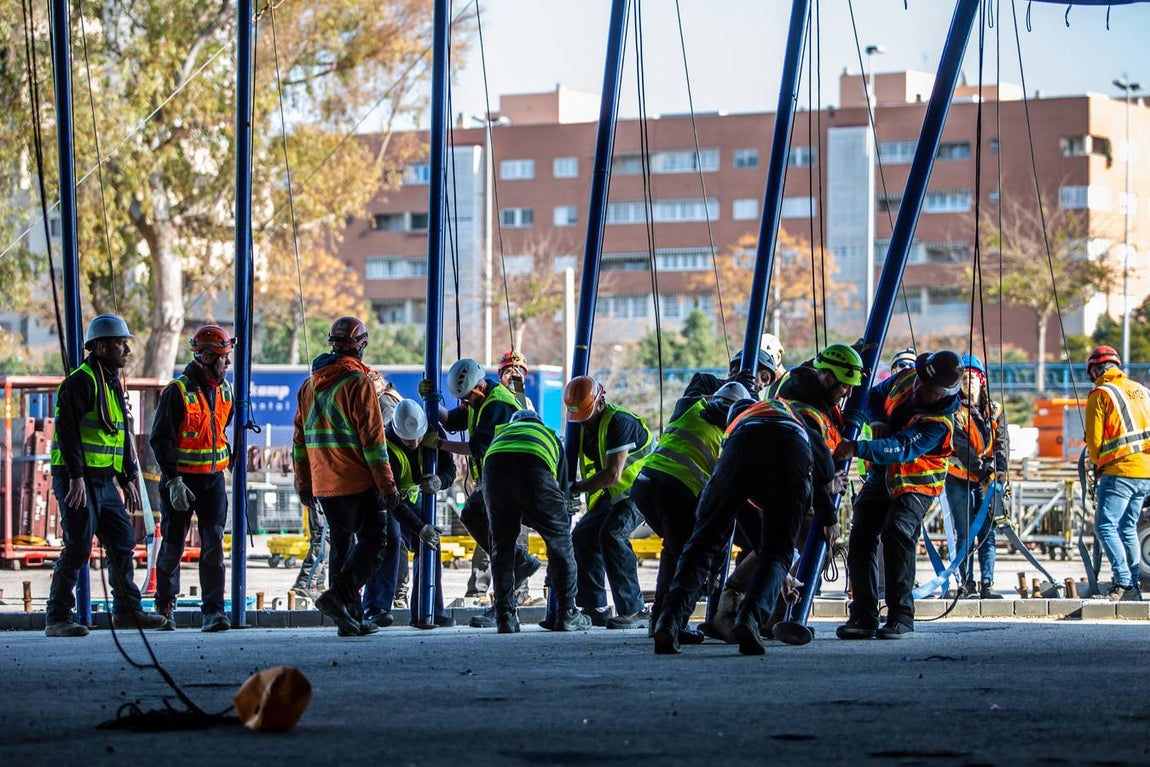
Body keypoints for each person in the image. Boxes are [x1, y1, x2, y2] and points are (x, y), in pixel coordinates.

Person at [652, 396, 840, 655]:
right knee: (779, 551)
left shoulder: (736, 428)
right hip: (791, 452)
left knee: (701, 544)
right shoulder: (792, 416)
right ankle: (749, 620)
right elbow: (825, 471)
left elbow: (735, 511)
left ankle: (669, 621)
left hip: (739, 455)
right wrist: (829, 514)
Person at [706, 343, 862, 641]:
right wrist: (829, 513)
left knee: (776, 557)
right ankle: (744, 615)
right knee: (776, 556)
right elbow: (816, 470)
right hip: (789, 497)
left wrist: (854, 350)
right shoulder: (806, 413)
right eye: (845, 386)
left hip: (762, 493)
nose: (849, 394)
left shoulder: (802, 393)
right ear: (828, 380)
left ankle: (758, 619)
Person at [45, 314, 168, 636]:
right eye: (119, 343)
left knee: (121, 542)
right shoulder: (81, 382)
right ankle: (57, 618)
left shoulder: (110, 382)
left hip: (102, 480)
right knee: (77, 547)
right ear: (99, 347)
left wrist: (127, 476)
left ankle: (128, 612)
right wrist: (74, 477)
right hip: (78, 480)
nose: (126, 350)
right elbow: (68, 432)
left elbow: (119, 435)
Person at [833, 350, 962, 640]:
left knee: (897, 533)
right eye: (919, 379)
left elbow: (902, 447)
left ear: (942, 394)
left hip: (917, 483)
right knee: (862, 534)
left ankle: (901, 616)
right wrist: (876, 419)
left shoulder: (939, 424)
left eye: (927, 387)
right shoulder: (907, 379)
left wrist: (858, 448)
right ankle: (863, 615)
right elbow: (871, 397)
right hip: (883, 473)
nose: (917, 387)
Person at [293, 316, 399, 637]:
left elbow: (299, 442)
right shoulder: (359, 383)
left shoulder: (309, 385)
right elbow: (373, 443)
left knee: (341, 546)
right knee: (374, 542)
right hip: (357, 481)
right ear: (361, 346)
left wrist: (304, 484)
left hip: (324, 485)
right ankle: (338, 597)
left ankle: (349, 619)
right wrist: (387, 485)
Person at [422, 358, 541, 628]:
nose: (464, 403)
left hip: (513, 475)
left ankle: (506, 599)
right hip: (500, 475)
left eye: (466, 398)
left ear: (478, 387)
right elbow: (452, 421)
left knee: (490, 530)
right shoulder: (479, 401)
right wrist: (432, 400)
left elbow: (477, 447)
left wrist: (439, 444)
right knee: (478, 519)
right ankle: (516, 569)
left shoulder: (497, 403)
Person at [632, 381, 751, 637]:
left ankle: (659, 622)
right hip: (674, 491)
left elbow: (699, 380)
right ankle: (674, 624)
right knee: (693, 561)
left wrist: (730, 379)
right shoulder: (730, 436)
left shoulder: (689, 407)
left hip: (644, 486)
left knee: (675, 552)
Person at [148, 324, 236, 632]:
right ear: (206, 357)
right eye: (223, 358)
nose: (227, 364)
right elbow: (159, 439)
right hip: (181, 482)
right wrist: (172, 480)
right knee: (173, 546)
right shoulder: (178, 391)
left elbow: (222, 430)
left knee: (213, 544)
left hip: (212, 482)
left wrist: (230, 458)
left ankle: (213, 612)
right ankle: (164, 606)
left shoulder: (226, 390)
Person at [483, 409, 592, 632]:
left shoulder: (502, 434)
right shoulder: (547, 435)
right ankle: (567, 613)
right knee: (560, 542)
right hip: (535, 466)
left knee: (501, 548)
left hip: (494, 469)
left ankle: (504, 615)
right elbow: (562, 492)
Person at [565, 376, 655, 629]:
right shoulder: (583, 426)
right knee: (582, 536)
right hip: (616, 494)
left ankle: (634, 610)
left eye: (587, 416)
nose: (584, 424)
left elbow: (612, 474)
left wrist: (575, 488)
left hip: (642, 488)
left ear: (600, 401)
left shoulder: (620, 422)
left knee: (612, 535)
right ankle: (596, 606)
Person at [361, 398, 456, 627]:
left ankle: (429, 607)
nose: (414, 442)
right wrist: (418, 527)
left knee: (431, 541)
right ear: (396, 430)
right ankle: (376, 608)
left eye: (418, 437)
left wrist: (439, 481)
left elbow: (449, 469)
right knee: (389, 541)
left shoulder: (432, 431)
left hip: (409, 499)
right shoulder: (386, 446)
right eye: (408, 438)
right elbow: (392, 501)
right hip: (385, 499)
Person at [1084, 345, 1150, 602]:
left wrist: (1096, 464)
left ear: (1095, 370)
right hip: (1145, 472)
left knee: (1105, 526)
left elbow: (1095, 442)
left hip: (1119, 470)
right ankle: (1132, 586)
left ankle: (1123, 582)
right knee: (1128, 527)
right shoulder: (1141, 391)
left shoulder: (1100, 393)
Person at [944, 354, 1009, 599]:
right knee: (965, 533)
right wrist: (984, 474)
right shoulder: (953, 408)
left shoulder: (994, 409)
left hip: (987, 480)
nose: (969, 380)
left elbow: (1002, 443)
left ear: (982, 380)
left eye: (974, 376)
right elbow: (961, 446)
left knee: (987, 532)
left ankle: (987, 584)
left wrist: (1001, 472)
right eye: (965, 376)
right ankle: (966, 584)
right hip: (960, 479)